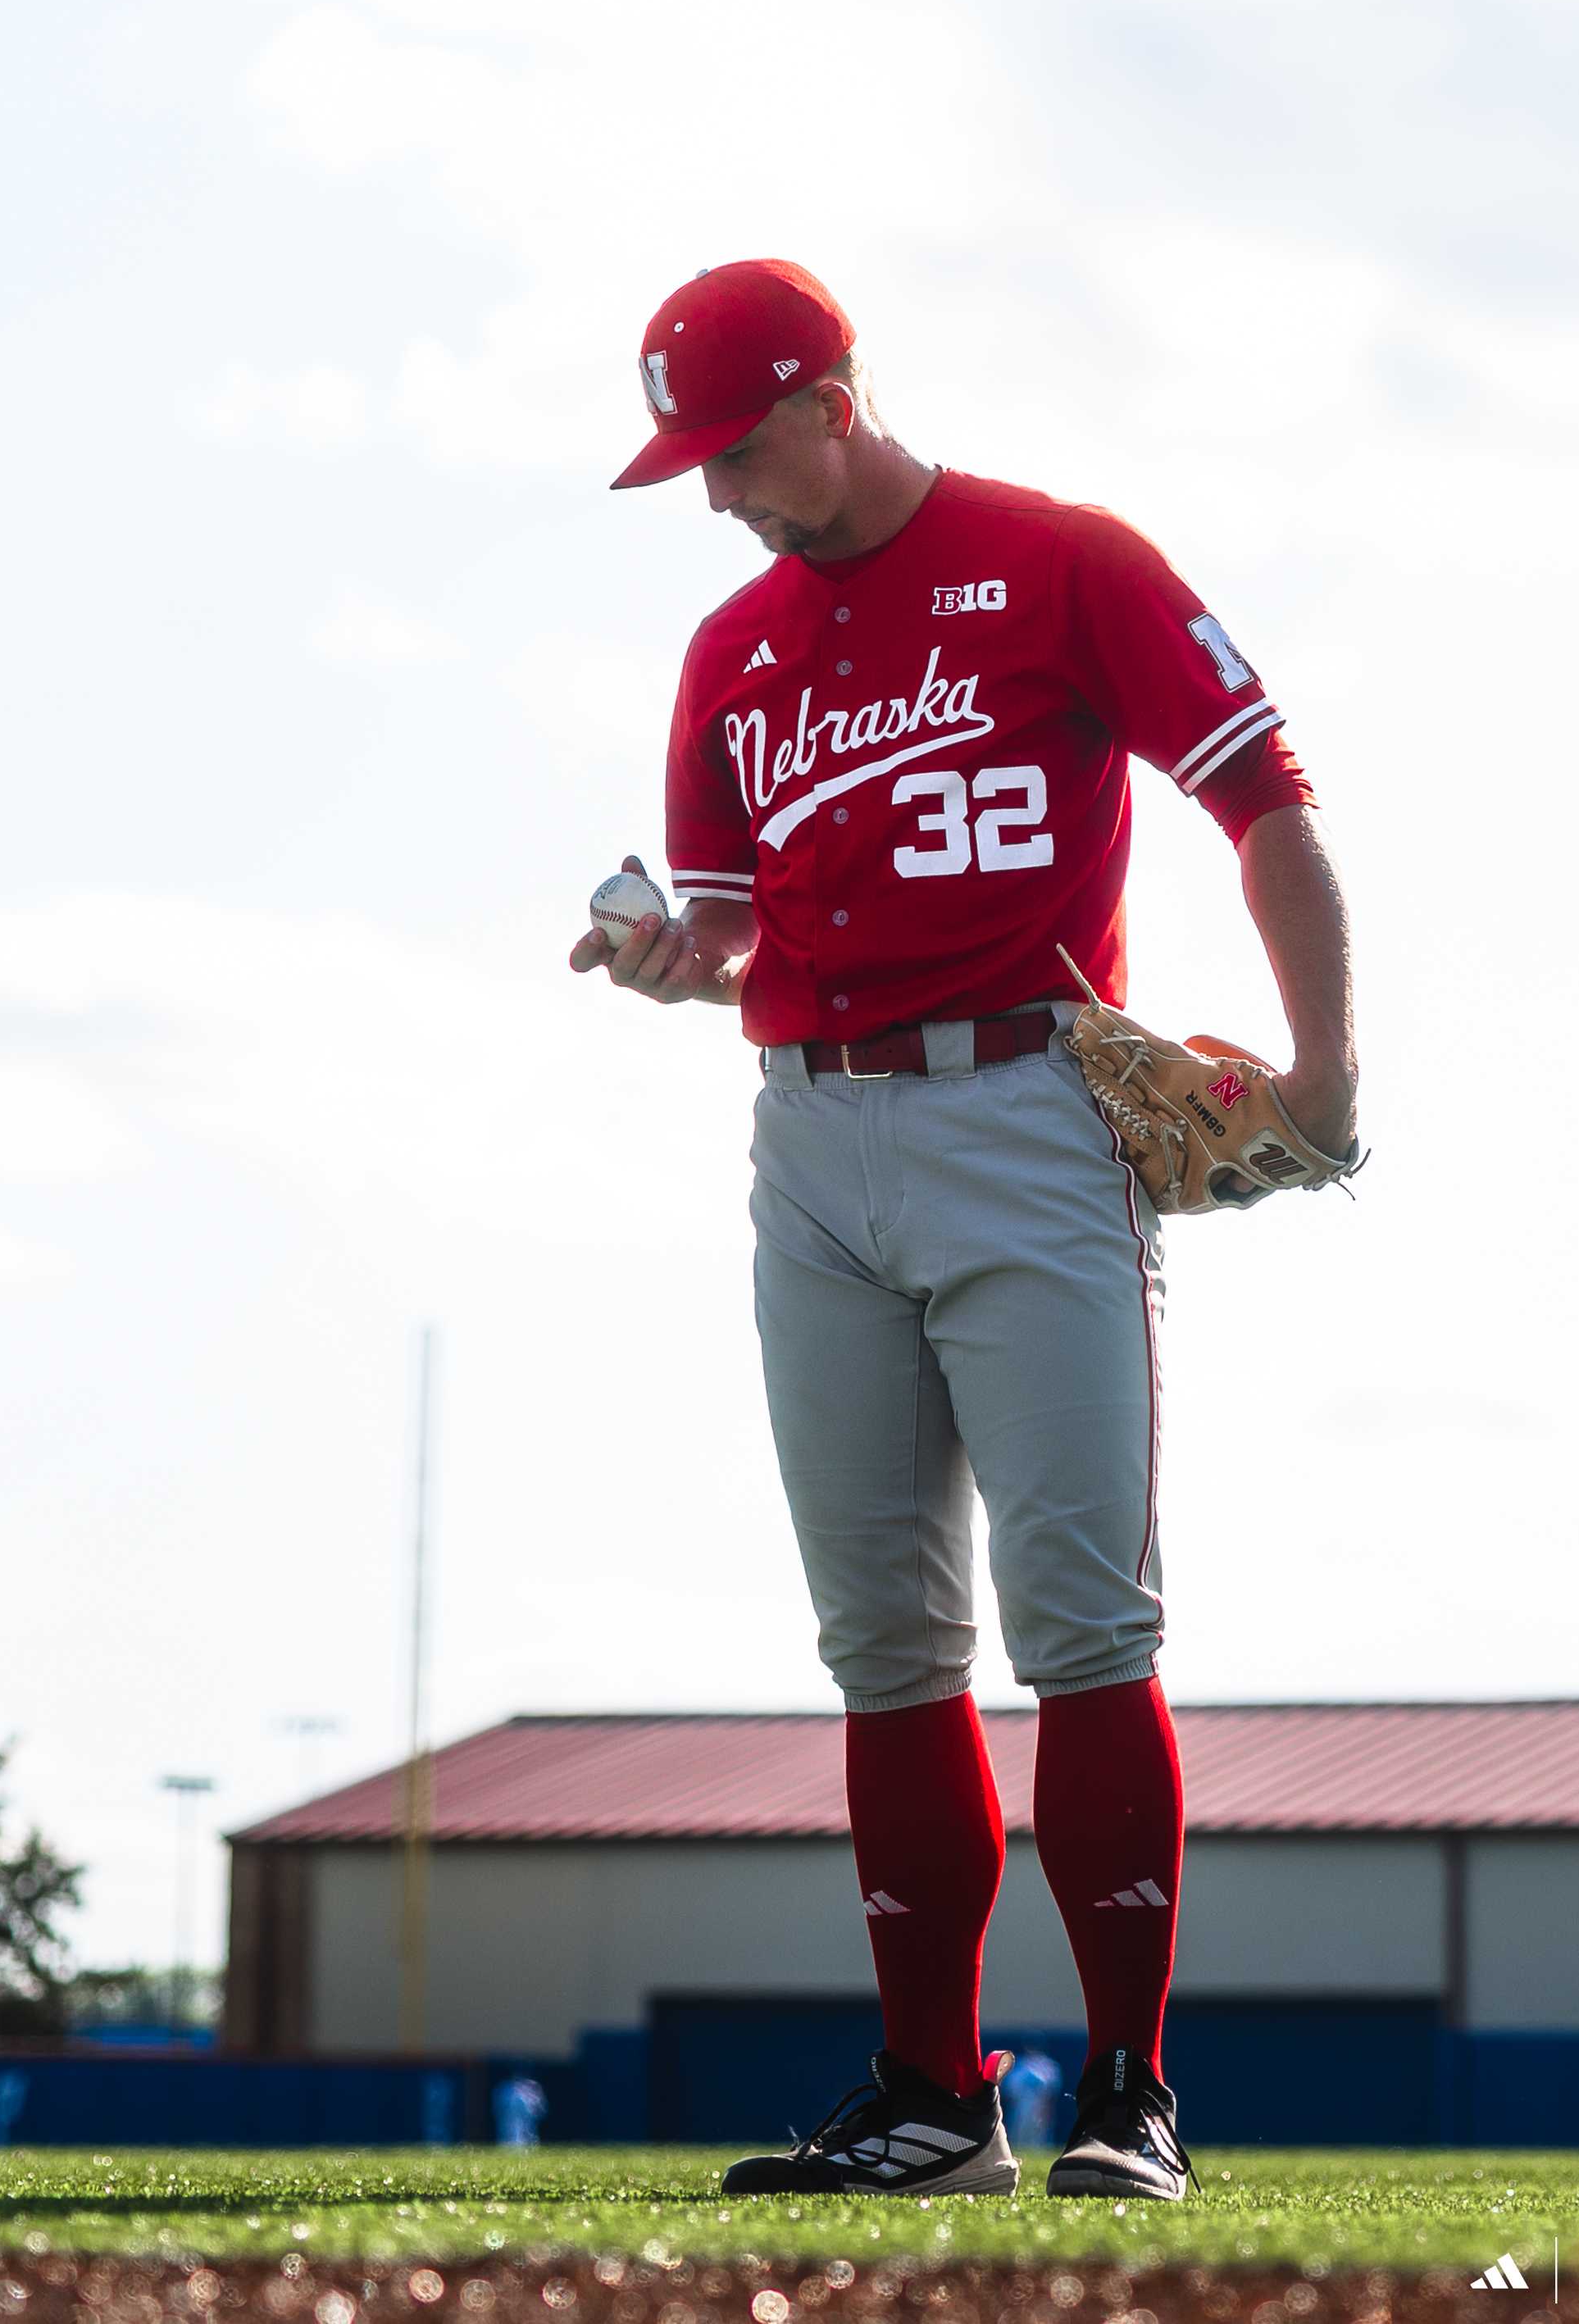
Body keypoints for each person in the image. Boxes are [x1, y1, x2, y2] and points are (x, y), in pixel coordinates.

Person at [571, 259, 1358, 2199]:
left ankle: (1128, 2093)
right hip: (807, 1130)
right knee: (881, 1640)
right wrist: (672, 960)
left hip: (1026, 1105)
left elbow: (1261, 796)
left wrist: (1325, 1073)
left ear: (832, 398)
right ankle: (932, 2099)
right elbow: (733, 920)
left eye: (733, 449)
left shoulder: (1059, 558)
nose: (714, 492)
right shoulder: (730, 647)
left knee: (1083, 1618)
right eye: (688, 461)